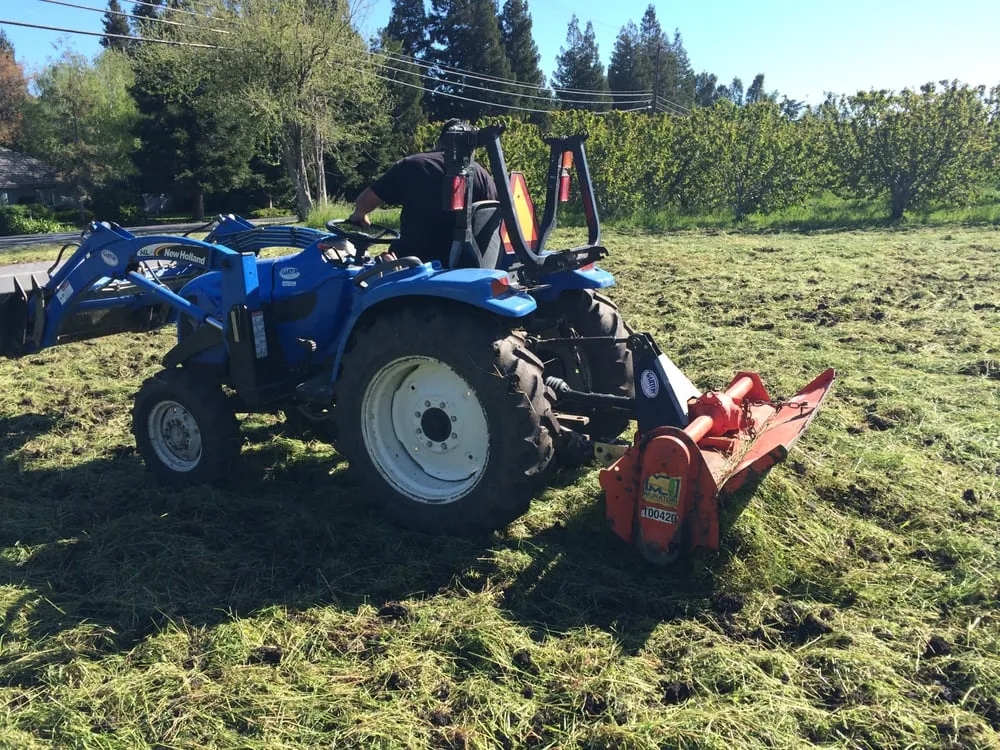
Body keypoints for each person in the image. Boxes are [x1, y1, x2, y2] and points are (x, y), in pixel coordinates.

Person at [348, 118, 498, 267]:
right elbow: (493, 214)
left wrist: (359, 214)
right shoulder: (482, 175)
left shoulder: (412, 165)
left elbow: (367, 200)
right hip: (466, 266)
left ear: (439, 141)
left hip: (413, 266)